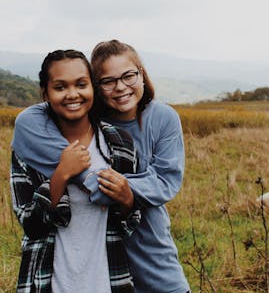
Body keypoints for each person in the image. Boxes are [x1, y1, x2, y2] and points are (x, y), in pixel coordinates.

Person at [13, 40, 189, 293]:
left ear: (142, 74)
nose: (120, 87)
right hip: (93, 262)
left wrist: (119, 189)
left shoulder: (152, 124)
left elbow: (165, 182)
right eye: (108, 81)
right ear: (97, 87)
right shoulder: (85, 122)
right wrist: (75, 174)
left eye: (129, 76)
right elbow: (29, 120)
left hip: (148, 246)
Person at [10, 49, 141, 293]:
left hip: (109, 281)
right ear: (45, 93)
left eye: (81, 84)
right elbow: (31, 226)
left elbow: (129, 224)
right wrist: (61, 174)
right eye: (60, 87)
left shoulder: (119, 144)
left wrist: (127, 200)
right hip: (48, 282)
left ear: (93, 88)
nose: (73, 94)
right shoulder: (28, 146)